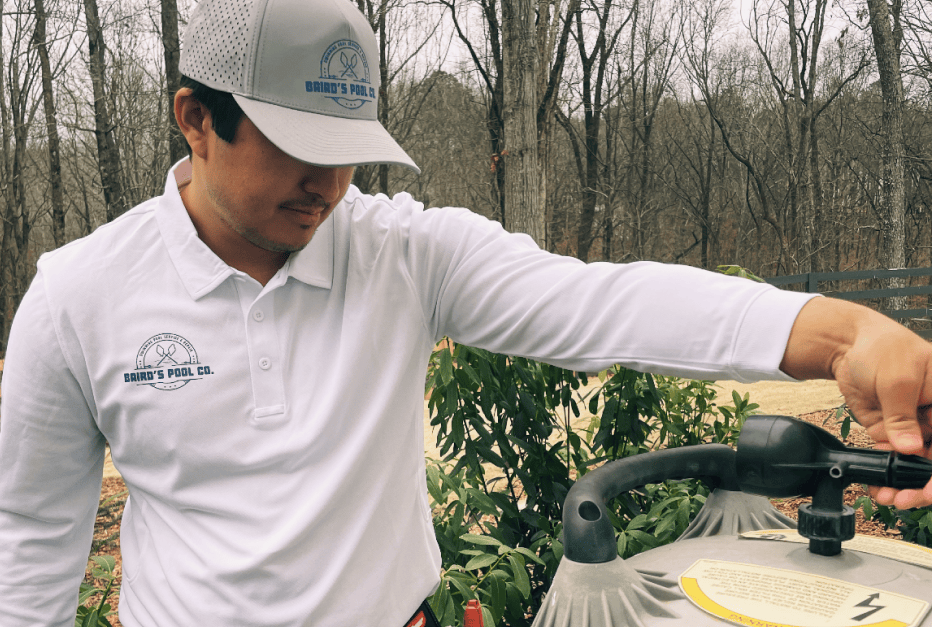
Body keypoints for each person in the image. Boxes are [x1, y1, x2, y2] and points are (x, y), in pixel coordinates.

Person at [0, 0, 930, 624]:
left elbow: (599, 301)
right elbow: (30, 542)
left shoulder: (402, 254)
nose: (329, 183)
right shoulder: (80, 296)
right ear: (196, 119)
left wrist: (842, 334)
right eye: (295, 147)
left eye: (347, 149)